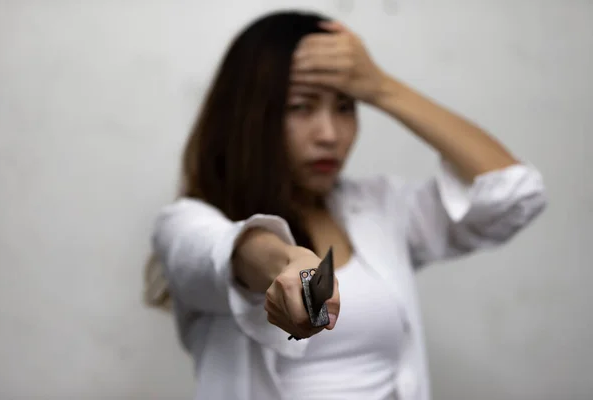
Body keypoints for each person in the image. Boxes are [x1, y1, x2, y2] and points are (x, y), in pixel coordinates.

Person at [144, 9, 547, 400]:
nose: (329, 134)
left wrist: (382, 88)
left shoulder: (380, 208)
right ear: (250, 116)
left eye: (345, 107)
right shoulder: (185, 222)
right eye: (301, 106)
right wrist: (287, 263)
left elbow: (515, 194)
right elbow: (223, 252)